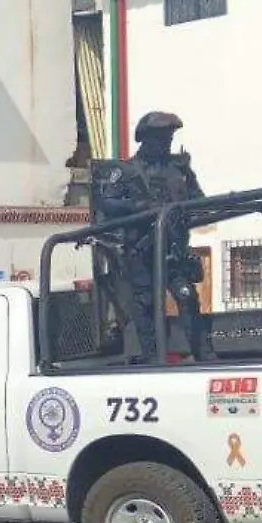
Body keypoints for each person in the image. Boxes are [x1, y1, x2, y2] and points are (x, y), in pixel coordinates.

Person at [90, 112, 209, 361]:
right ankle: (153, 358)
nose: (166, 142)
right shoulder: (127, 171)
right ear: (145, 139)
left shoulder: (177, 169)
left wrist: (189, 176)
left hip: (174, 250)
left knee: (186, 295)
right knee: (146, 305)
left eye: (169, 137)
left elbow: (199, 200)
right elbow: (106, 202)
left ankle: (203, 354)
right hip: (142, 252)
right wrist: (137, 207)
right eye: (161, 137)